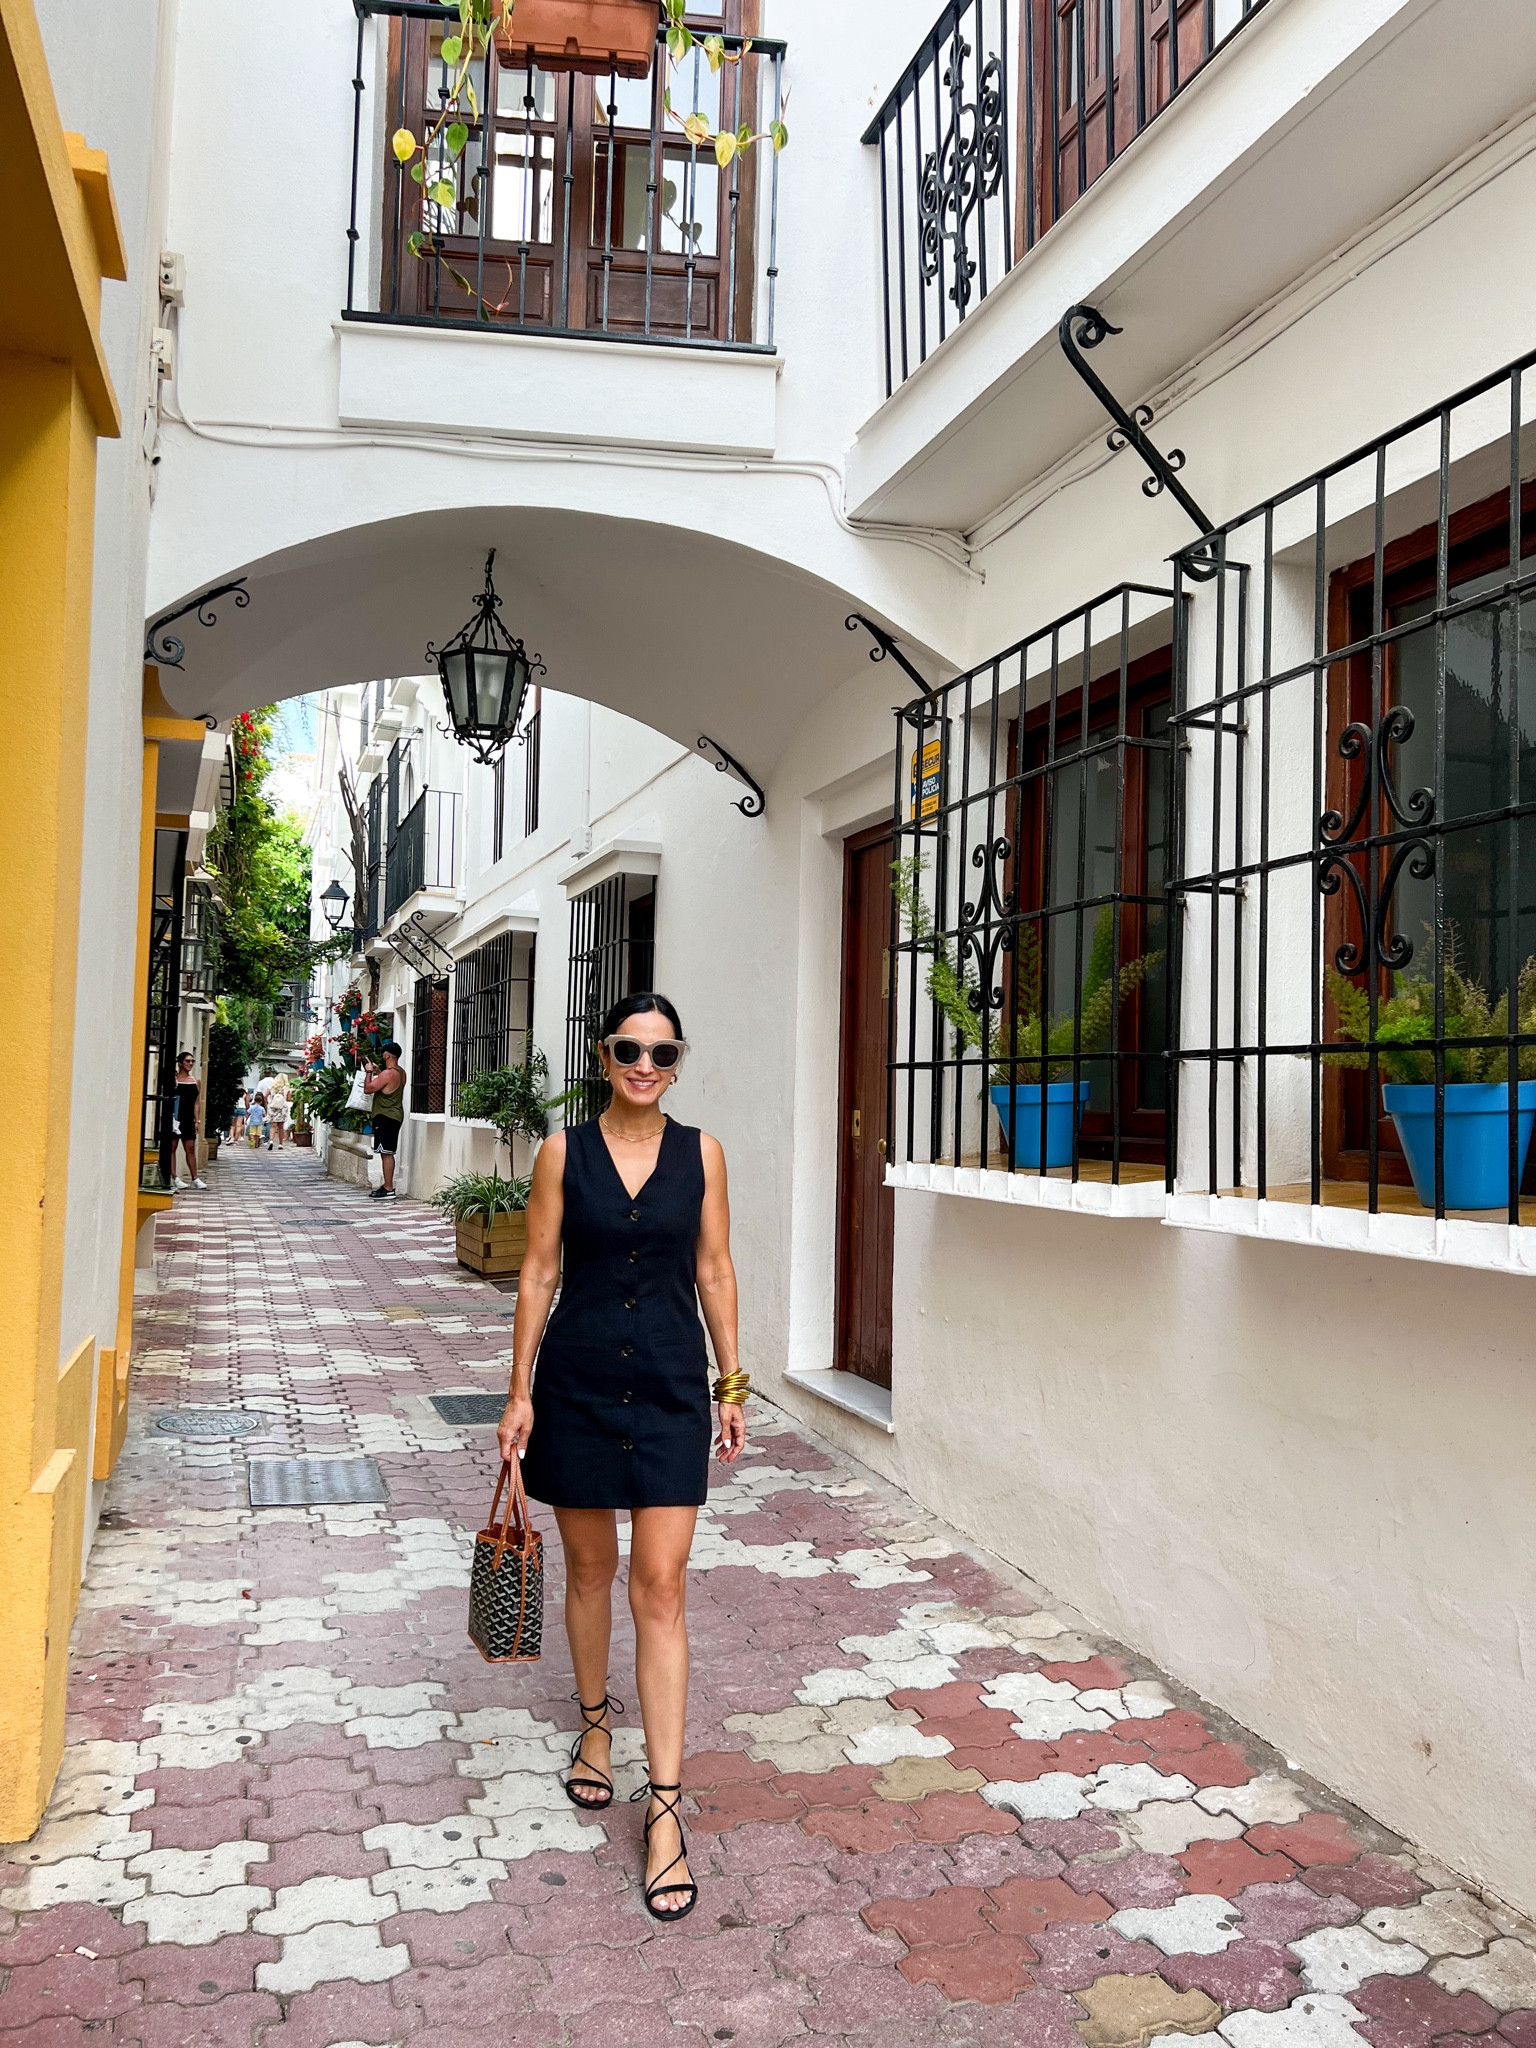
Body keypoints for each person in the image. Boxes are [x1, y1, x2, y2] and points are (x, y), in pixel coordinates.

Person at [498, 993, 748, 1924]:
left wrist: (732, 1382)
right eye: (629, 1050)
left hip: (674, 1386)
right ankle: (596, 1728)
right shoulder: (562, 1153)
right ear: (603, 1057)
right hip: (579, 1384)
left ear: (677, 1064)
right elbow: (538, 1270)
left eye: (663, 1052)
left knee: (662, 1584)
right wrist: (518, 1390)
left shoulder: (703, 1154)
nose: (646, 1065)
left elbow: (714, 1269)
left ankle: (667, 1810)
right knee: (590, 1569)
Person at [363, 1041, 407, 1198]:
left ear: (387, 1055)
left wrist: (369, 1072)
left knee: (386, 1153)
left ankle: (389, 1188)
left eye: (384, 1053)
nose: (382, 1055)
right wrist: (378, 1072)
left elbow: (368, 1089)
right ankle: (387, 1186)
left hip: (385, 1116)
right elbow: (388, 1086)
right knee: (386, 1151)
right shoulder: (401, 1073)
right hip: (395, 1115)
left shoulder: (388, 1074)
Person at [170, 1052, 207, 1190]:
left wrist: (197, 1120)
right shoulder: (174, 1080)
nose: (190, 1064)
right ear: (180, 1063)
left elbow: (196, 1103)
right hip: (175, 1117)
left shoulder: (195, 1082)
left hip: (188, 1119)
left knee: (190, 1148)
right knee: (172, 1147)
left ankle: (195, 1177)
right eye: (187, 1061)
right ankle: (174, 1177)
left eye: (192, 1061)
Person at [268, 1075, 290, 1149]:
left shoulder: (272, 1088)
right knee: (281, 1127)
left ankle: (271, 1141)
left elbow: (265, 1096)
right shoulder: (286, 1089)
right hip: (282, 1108)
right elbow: (289, 1098)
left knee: (273, 1126)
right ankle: (280, 1144)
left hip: (273, 1108)